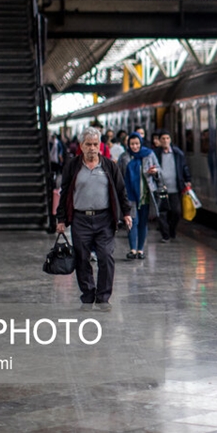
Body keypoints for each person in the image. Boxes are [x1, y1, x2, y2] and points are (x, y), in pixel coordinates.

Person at [56, 127, 132, 312]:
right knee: (82, 258)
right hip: (80, 219)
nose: (92, 148)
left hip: (104, 219)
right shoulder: (73, 166)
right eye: (88, 144)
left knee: (106, 256)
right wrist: (61, 219)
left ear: (100, 146)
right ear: (81, 146)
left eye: (95, 144)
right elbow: (64, 193)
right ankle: (88, 296)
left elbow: (121, 190)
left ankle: (103, 297)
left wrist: (126, 213)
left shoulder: (109, 166)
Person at [118, 132, 160, 260]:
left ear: (141, 143)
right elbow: (118, 175)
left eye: (137, 143)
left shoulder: (149, 154)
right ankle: (133, 249)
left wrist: (155, 172)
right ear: (128, 144)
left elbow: (159, 169)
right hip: (129, 195)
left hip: (145, 194)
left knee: (143, 222)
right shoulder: (124, 157)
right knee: (132, 221)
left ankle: (140, 250)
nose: (135, 146)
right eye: (132, 144)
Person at [153, 129, 191, 242]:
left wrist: (187, 179)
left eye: (167, 138)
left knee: (176, 211)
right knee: (162, 212)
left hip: (175, 188)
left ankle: (172, 230)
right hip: (161, 189)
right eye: (163, 139)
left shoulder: (178, 153)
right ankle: (165, 235)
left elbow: (184, 167)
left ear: (170, 140)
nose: (165, 141)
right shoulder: (155, 154)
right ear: (159, 140)